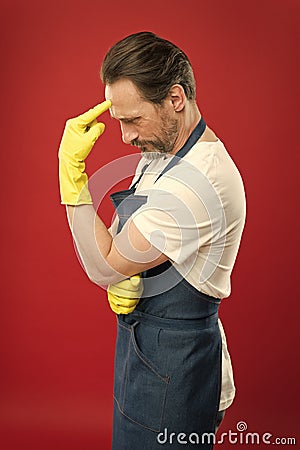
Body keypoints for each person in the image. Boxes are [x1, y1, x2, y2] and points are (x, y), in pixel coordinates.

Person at [58, 32, 246, 449]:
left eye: (132, 119)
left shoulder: (196, 185)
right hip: (147, 353)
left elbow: (102, 265)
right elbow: (124, 243)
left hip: (176, 374)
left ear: (175, 98)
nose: (124, 136)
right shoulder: (163, 155)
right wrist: (134, 268)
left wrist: (71, 177)